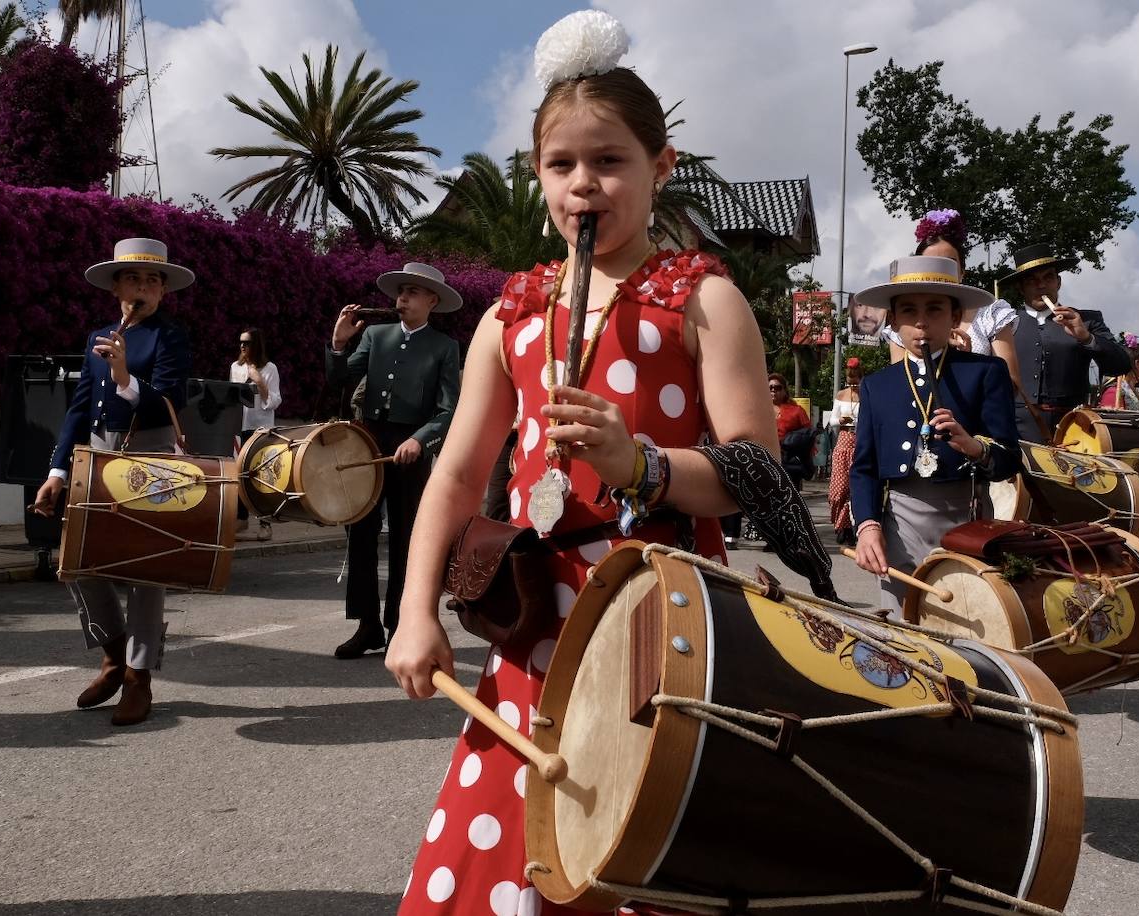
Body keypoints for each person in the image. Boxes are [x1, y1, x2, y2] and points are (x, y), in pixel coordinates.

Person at [383, 11, 781, 913]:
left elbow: (754, 468)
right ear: (537, 178)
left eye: (610, 161)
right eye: (562, 166)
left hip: (667, 617)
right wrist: (414, 613)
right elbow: (455, 473)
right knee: (501, 851)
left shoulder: (705, 298)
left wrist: (638, 463)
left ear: (661, 166)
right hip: (536, 620)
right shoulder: (511, 312)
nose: (584, 186)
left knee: (651, 835)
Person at [32, 237, 193, 726]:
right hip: (100, 451)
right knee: (78, 558)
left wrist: (124, 375)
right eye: (133, 279)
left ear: (162, 291)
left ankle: (139, 676)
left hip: (152, 452)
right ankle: (113, 653)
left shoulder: (171, 336)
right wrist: (57, 470)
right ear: (115, 288)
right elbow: (81, 406)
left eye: (151, 281)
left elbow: (169, 397)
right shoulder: (98, 334)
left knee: (146, 569)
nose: (142, 288)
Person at [851, 255, 1021, 610]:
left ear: (956, 317)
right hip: (899, 527)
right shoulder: (876, 386)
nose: (921, 323)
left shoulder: (986, 372)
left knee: (968, 626)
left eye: (935, 310)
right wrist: (867, 525)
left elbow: (1008, 459)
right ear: (893, 320)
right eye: (909, 311)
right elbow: (864, 467)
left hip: (968, 520)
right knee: (904, 631)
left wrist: (975, 447)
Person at [326, 263, 461, 659]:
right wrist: (338, 344)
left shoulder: (444, 347)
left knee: (406, 538)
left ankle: (399, 625)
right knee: (360, 534)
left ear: (432, 301)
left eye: (413, 293)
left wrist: (420, 440)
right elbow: (339, 380)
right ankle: (367, 625)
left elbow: (448, 409)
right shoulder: (374, 334)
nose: (402, 298)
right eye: (401, 291)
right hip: (368, 444)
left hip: (409, 450)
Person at [1004, 242, 1132, 442]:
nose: (1041, 285)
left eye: (1048, 277)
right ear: (1020, 288)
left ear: (1059, 282)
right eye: (1032, 280)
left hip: (1074, 427)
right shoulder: (1004, 324)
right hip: (1017, 430)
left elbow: (1121, 365)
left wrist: (1086, 338)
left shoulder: (1087, 320)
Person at [885, 210, 1022, 383]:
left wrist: (968, 363)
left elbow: (1011, 385)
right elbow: (899, 383)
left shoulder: (991, 314)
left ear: (962, 271)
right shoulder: (902, 322)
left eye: (948, 263)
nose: (938, 270)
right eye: (931, 263)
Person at [231, 326, 282, 538]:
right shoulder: (235, 367)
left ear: (256, 345)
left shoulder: (270, 369)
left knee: (262, 475)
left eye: (247, 342)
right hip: (241, 427)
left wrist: (259, 381)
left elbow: (274, 401)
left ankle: (265, 524)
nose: (242, 346)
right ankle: (241, 520)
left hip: (261, 429)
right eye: (241, 342)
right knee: (240, 474)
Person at [829, 357, 863, 546]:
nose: (853, 384)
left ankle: (851, 527)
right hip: (844, 441)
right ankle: (840, 524)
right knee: (839, 490)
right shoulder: (841, 395)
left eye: (856, 379)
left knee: (855, 489)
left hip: (860, 442)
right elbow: (832, 420)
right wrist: (841, 421)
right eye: (850, 380)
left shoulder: (866, 395)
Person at [770, 373, 813, 487]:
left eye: (778, 387)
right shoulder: (759, 409)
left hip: (789, 463)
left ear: (784, 390)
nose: (773, 390)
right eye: (770, 387)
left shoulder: (796, 411)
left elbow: (808, 435)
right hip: (766, 460)